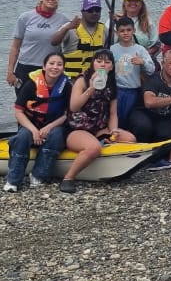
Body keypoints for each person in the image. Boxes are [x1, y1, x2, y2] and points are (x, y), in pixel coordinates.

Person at [59, 49, 137, 193]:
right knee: (94, 148)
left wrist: (113, 130)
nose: (102, 65)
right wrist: (91, 88)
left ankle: (108, 168)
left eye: (107, 62)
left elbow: (113, 114)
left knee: (130, 139)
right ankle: (68, 178)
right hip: (77, 129)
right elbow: (74, 107)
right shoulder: (82, 80)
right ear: (93, 63)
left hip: (99, 128)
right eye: (99, 61)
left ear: (112, 67)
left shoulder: (112, 84)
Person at [3, 52, 70, 191]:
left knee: (57, 135)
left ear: (63, 68)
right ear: (44, 66)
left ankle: (39, 174)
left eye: (59, 64)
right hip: (30, 124)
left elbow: (67, 114)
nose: (55, 67)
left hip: (53, 125)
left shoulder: (67, 87)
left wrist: (49, 127)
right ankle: (13, 180)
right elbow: (18, 111)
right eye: (51, 63)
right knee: (22, 137)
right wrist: (34, 130)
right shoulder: (31, 84)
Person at [127, 49, 171, 166]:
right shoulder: (154, 80)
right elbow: (149, 102)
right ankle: (137, 159)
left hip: (163, 117)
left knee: (169, 134)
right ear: (163, 64)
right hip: (144, 113)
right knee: (144, 126)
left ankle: (154, 160)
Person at [6, 0, 72, 87]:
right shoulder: (25, 18)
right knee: (24, 102)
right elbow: (15, 47)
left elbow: (71, 45)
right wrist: (10, 72)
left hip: (50, 69)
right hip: (25, 68)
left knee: (48, 102)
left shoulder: (64, 21)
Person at [109, 16, 153, 126]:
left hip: (134, 91)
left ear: (134, 31)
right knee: (117, 117)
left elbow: (151, 70)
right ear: (117, 32)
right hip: (117, 90)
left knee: (131, 118)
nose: (125, 33)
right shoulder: (112, 49)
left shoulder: (140, 49)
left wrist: (142, 62)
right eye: (122, 31)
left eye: (128, 30)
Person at [52, 0, 107, 78]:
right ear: (82, 12)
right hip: (72, 78)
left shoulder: (104, 29)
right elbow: (54, 42)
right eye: (90, 10)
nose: (94, 13)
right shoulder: (71, 26)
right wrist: (67, 28)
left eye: (97, 10)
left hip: (95, 78)